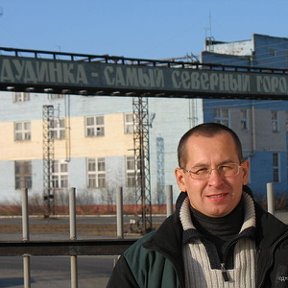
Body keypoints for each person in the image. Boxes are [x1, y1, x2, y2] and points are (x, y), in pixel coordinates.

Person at [107, 122, 288, 288]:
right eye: (201, 170)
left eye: (226, 167)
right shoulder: (143, 260)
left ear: (244, 172)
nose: (216, 181)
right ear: (181, 179)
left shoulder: (282, 247)